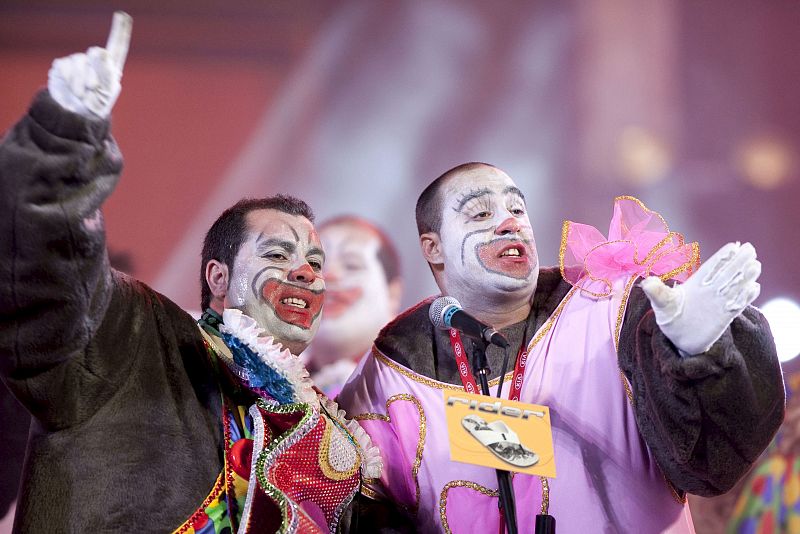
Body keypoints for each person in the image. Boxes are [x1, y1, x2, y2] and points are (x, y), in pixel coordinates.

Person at [0, 13, 380, 532]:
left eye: (315, 262)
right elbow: (49, 268)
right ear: (218, 279)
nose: (305, 274)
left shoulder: (332, 426)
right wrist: (63, 135)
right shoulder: (137, 338)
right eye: (276, 255)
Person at [337, 162, 785, 532]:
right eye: (479, 214)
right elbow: (359, 511)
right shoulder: (393, 369)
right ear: (431, 247)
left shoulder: (617, 312)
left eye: (517, 208)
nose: (510, 222)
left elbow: (711, 464)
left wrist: (699, 354)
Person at [303, 216, 402, 397]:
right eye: (315, 265)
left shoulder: (420, 383)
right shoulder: (270, 381)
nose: (328, 275)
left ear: (393, 293)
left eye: (351, 265)